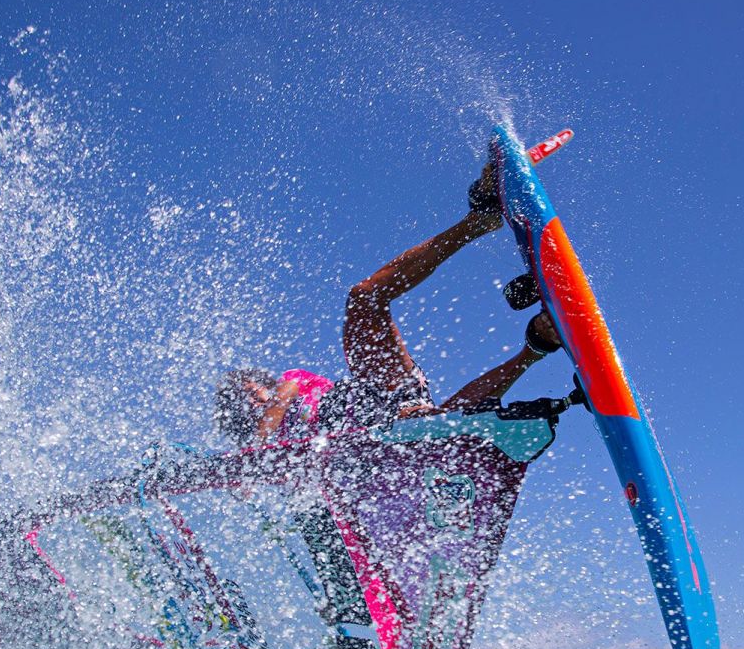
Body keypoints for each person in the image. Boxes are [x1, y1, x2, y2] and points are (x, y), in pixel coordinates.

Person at [214, 162, 561, 446]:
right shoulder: (268, 457)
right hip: (364, 455)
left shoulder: (289, 385)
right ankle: (535, 346)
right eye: (244, 404)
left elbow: (280, 400)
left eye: (252, 392)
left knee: (363, 297)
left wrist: (257, 452)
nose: (254, 402)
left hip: (377, 391)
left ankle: (476, 223)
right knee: (437, 429)